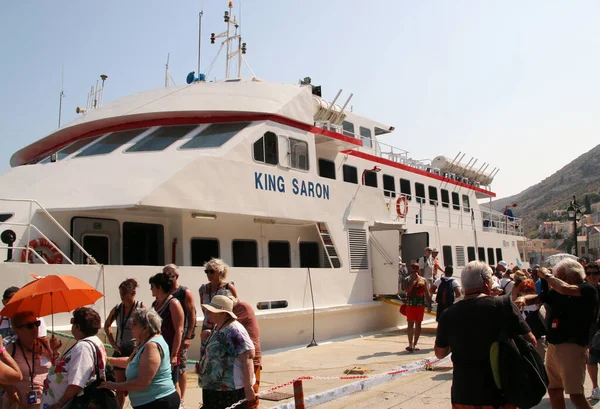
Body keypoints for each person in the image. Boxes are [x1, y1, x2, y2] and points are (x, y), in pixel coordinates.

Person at [435, 261, 535, 408]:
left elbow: (440, 353)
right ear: (486, 282)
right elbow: (531, 341)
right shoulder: (503, 305)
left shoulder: (449, 314)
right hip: (499, 389)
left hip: (464, 392)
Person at [516, 259, 598, 409]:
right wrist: (523, 299)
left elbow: (566, 289)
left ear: (570, 276)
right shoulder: (558, 291)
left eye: (559, 276)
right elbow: (538, 298)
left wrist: (547, 277)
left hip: (572, 346)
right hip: (554, 345)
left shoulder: (587, 289)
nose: (556, 279)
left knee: (576, 395)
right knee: (554, 390)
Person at [100, 308, 180, 409]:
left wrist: (114, 386)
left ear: (146, 328)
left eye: (134, 324)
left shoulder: (152, 346)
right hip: (152, 402)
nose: (130, 327)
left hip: (158, 402)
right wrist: (106, 359)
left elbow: (142, 383)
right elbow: (131, 362)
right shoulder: (145, 342)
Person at [41, 307, 108, 409]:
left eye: (73, 322)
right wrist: (55, 352)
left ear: (78, 327)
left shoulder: (83, 347)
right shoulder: (93, 342)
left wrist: (59, 405)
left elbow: (77, 383)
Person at [198, 295, 256, 409]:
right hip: (214, 389)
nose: (208, 313)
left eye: (213, 311)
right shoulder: (218, 326)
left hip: (228, 390)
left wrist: (248, 387)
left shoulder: (233, 330)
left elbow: (248, 356)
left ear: (224, 313)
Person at [104, 278, 145, 409]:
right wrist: (112, 342)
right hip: (121, 349)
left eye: (124, 293)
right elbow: (107, 325)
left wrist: (141, 344)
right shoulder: (117, 309)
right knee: (119, 387)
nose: (122, 297)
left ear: (133, 293)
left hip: (134, 350)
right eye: (120, 294)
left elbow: (148, 326)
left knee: (135, 385)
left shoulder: (140, 307)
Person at [2, 311, 52, 409]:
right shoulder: (11, 350)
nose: (35, 328)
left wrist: (54, 353)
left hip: (44, 403)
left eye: (36, 324)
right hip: (18, 404)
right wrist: (9, 389)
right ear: (17, 331)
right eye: (29, 326)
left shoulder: (46, 346)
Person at [163, 264, 196, 406]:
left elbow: (192, 314)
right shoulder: (165, 292)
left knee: (181, 367)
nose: (168, 278)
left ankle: (181, 398)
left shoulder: (184, 292)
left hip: (180, 335)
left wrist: (188, 336)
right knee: (170, 367)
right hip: (167, 336)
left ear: (177, 276)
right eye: (165, 275)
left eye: (171, 275)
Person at [149, 272, 184, 390]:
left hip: (169, 350)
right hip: (157, 349)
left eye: (152, 286)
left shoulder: (173, 303)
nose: (151, 289)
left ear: (159, 287)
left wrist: (174, 355)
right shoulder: (155, 303)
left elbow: (179, 330)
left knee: (173, 383)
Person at [231, 297, 262, 409]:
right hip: (239, 360)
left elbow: (229, 326)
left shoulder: (241, 308)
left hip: (249, 358)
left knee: (250, 397)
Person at [199, 258, 238, 332]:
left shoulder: (228, 287)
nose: (208, 274)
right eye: (206, 272)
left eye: (211, 271)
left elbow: (237, 305)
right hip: (207, 325)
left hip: (224, 325)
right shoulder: (203, 289)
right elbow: (203, 307)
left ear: (220, 272)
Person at [404, 263, 432, 352]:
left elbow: (427, 293)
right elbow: (407, 290)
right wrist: (413, 281)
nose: (415, 271)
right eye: (414, 269)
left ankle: (414, 344)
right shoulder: (407, 279)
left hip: (419, 304)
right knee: (410, 324)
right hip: (411, 304)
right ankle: (410, 344)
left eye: (416, 269)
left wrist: (429, 304)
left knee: (418, 324)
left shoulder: (423, 280)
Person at [584, 263, 600, 400]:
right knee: (592, 359)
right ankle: (595, 387)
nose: (591, 276)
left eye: (594, 273)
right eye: (588, 274)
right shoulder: (582, 290)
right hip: (589, 330)